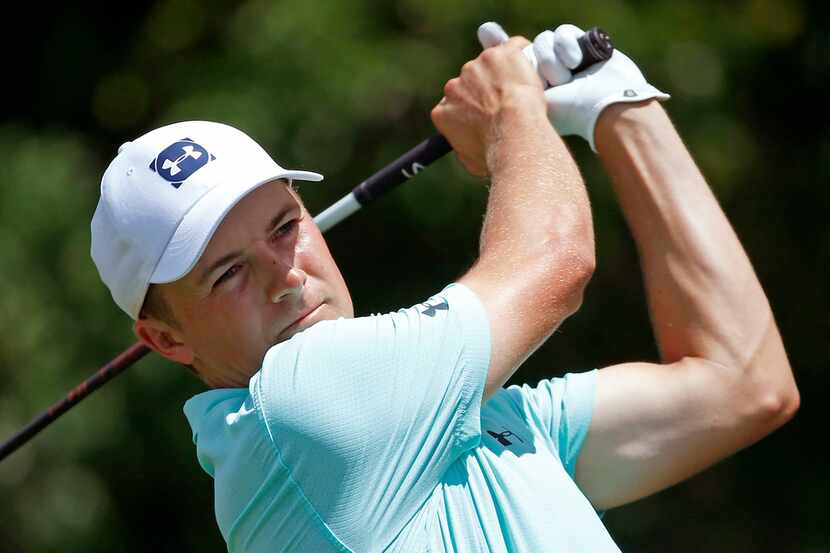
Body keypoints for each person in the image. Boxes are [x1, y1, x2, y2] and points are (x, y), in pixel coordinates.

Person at [90, 22, 799, 552]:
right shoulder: (294, 410)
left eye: (284, 225)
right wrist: (510, 114)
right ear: (165, 338)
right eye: (227, 271)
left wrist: (621, 106)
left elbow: (744, 383)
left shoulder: (468, 420)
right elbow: (557, 259)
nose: (286, 275)